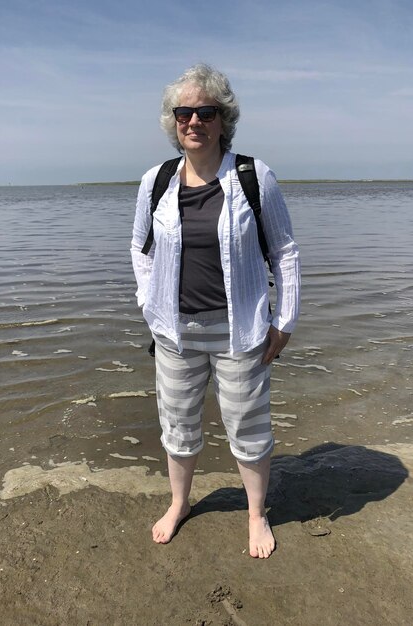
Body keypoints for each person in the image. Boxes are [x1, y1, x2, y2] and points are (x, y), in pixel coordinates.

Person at [131, 63, 300, 559]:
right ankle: (179, 503)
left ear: (223, 119)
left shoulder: (254, 176)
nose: (194, 121)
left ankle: (255, 514)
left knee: (248, 427)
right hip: (175, 333)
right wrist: (149, 305)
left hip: (240, 330)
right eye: (184, 113)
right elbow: (140, 250)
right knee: (178, 424)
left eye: (206, 112)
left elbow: (284, 250)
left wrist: (285, 319)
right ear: (174, 121)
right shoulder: (155, 181)